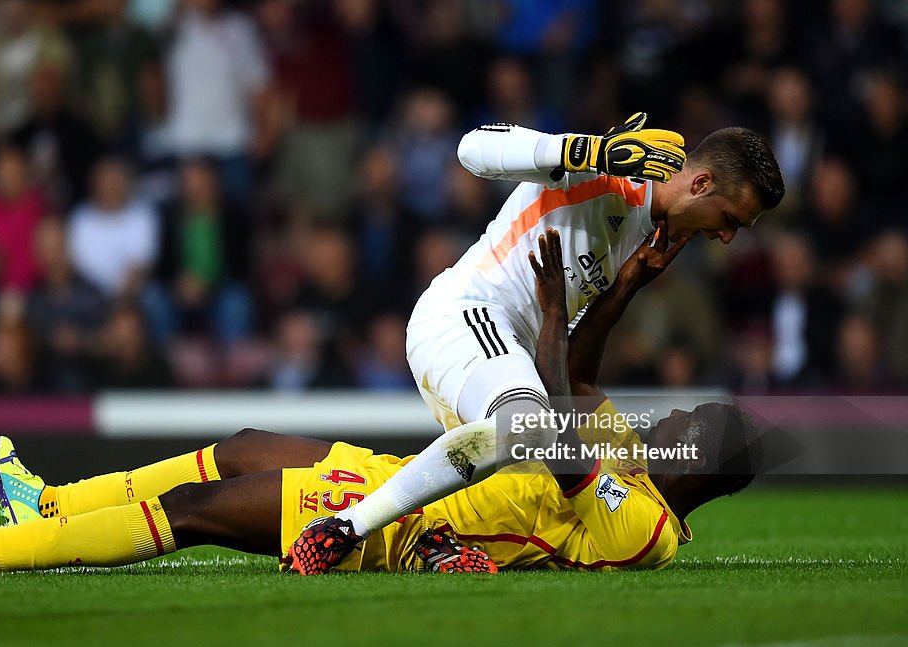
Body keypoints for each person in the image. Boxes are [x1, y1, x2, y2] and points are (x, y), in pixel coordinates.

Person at [0, 229, 760, 576]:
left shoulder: (647, 531)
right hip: (410, 479)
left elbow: (554, 428)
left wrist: (545, 309)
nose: (670, 420)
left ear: (704, 466)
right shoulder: (633, 452)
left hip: (413, 530)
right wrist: (628, 287)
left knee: (201, 509)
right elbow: (575, 375)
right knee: (244, 443)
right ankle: (47, 502)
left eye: (689, 425)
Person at [288, 113, 784, 573]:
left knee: (535, 483)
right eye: (731, 220)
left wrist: (628, 286)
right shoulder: (604, 173)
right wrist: (583, 150)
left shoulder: (643, 233)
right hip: (467, 316)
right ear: (700, 184)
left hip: (508, 356)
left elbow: (577, 372)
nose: (726, 237)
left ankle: (446, 546)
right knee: (530, 426)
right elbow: (472, 148)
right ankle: (344, 528)